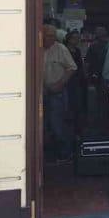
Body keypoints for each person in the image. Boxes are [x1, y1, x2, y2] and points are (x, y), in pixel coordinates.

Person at [43, 24, 77, 162]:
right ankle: (47, 156)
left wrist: (60, 84)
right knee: (42, 125)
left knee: (58, 125)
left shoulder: (60, 49)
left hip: (56, 92)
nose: (52, 39)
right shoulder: (35, 48)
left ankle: (65, 154)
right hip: (39, 94)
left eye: (53, 36)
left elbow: (72, 68)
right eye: (49, 36)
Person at [64, 31, 87, 131]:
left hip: (78, 79)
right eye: (75, 38)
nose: (77, 40)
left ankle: (78, 125)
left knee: (78, 102)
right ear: (69, 39)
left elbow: (80, 64)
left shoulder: (77, 50)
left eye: (78, 38)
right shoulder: (64, 50)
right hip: (68, 79)